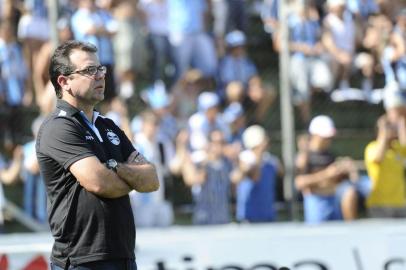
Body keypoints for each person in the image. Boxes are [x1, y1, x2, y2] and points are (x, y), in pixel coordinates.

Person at [36, 40, 159, 270]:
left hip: (123, 256)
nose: (101, 76)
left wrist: (113, 166)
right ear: (64, 81)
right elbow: (100, 183)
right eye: (89, 70)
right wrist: (131, 178)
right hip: (81, 260)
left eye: (100, 69)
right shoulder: (59, 127)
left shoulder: (108, 125)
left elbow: (151, 179)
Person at [295, 115, 360, 224]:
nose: (328, 140)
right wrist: (327, 174)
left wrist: (347, 171)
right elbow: (299, 183)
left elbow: (347, 181)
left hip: (332, 202)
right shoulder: (304, 157)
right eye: (324, 137)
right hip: (316, 205)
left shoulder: (330, 155)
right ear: (315, 135)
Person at [364, 89, 406, 217]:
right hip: (380, 205)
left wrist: (400, 123)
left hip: (400, 204)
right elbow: (378, 158)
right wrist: (383, 129)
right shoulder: (372, 148)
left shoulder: (397, 148)